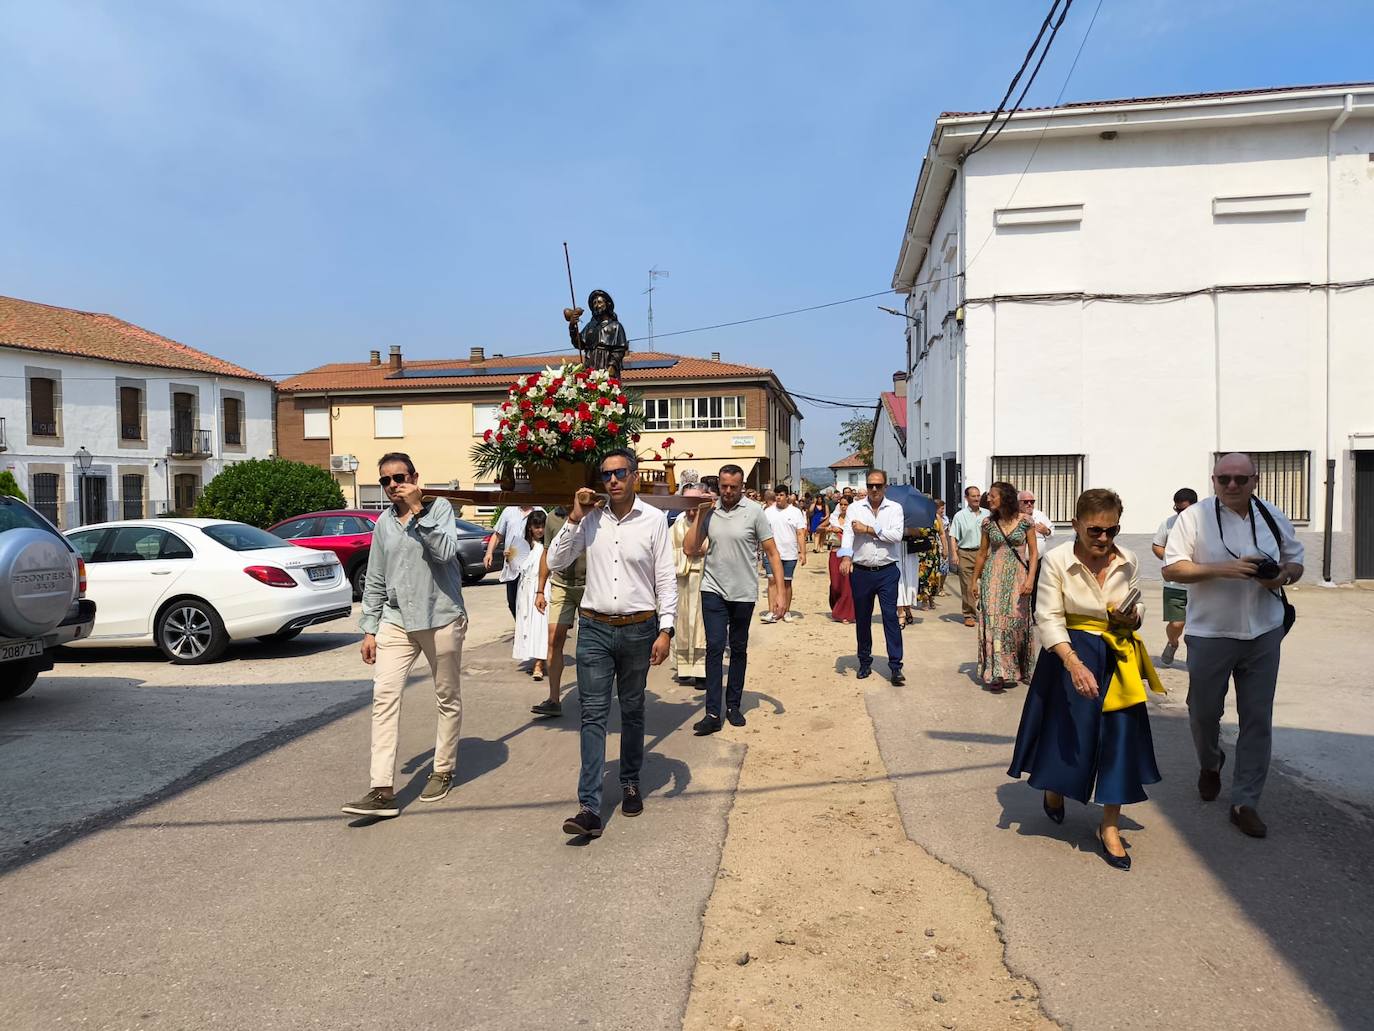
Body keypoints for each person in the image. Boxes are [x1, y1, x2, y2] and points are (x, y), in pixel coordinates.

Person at [1008, 488, 1165, 871]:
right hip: (1069, 651)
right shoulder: (1057, 560)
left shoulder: (1128, 559)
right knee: (1068, 733)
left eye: (1111, 530)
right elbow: (1047, 615)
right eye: (1095, 530)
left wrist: (1134, 616)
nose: (1103, 539)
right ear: (1076, 525)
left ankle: (1109, 826)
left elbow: (1136, 602)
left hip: (1117, 654)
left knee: (1119, 739)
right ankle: (1056, 786)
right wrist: (1073, 663)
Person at [1162, 453, 1304, 839]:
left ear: (1255, 481)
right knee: (1203, 713)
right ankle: (1210, 764)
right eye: (1225, 479)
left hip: (1264, 632)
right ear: (1213, 480)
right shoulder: (1195, 518)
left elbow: (1296, 562)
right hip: (1210, 633)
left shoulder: (1272, 516)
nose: (1233, 486)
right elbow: (1172, 567)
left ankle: (1245, 802)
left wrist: (1283, 578)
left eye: (1241, 479)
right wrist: (1222, 569)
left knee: (1257, 719)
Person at [546, 449, 677, 839]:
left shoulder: (654, 521)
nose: (613, 480)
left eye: (620, 472)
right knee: (593, 715)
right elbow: (555, 562)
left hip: (639, 628)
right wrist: (573, 516)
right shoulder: (589, 521)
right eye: (606, 475)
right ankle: (588, 805)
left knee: (633, 710)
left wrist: (666, 629)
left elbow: (665, 578)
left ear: (634, 475)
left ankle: (631, 781)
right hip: (595, 629)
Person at [342, 453, 467, 818]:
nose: (393, 485)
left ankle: (443, 768)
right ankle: (382, 790)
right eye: (386, 480)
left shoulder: (439, 508)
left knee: (446, 697)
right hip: (396, 621)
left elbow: (444, 552)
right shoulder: (383, 523)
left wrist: (417, 512)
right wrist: (369, 629)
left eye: (400, 477)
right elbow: (377, 578)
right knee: (383, 697)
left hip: (441, 616)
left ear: (415, 477)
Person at [684, 464, 786, 735]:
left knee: (738, 649)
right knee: (715, 648)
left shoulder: (754, 512)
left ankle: (733, 705)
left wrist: (781, 593)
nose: (727, 492)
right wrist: (699, 516)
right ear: (718, 484)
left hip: (743, 592)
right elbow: (690, 548)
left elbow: (772, 553)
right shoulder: (710, 509)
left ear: (742, 486)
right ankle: (712, 712)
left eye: (733, 487)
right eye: (723, 486)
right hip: (712, 589)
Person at [838, 470, 906, 685]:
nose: (874, 489)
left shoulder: (895, 508)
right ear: (866, 486)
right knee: (863, 619)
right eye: (870, 485)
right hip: (861, 571)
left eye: (878, 485)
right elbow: (848, 534)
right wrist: (845, 557)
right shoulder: (855, 508)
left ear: (885, 486)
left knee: (890, 618)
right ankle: (864, 662)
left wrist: (868, 529)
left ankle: (895, 666)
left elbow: (896, 536)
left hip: (887, 570)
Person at [972, 482, 1038, 692]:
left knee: (1015, 624)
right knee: (994, 624)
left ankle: (1019, 668)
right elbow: (982, 553)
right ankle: (997, 673)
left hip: (1018, 578)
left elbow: (1034, 554)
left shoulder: (1026, 522)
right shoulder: (987, 523)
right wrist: (975, 581)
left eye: (992, 496)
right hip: (992, 578)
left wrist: (1030, 580)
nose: (988, 499)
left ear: (1005, 497)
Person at [531, 508, 586, 717]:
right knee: (554, 639)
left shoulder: (593, 514)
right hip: (561, 584)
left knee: (589, 643)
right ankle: (554, 699)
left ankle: (590, 694)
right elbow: (546, 553)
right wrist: (539, 590)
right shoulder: (553, 517)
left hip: (589, 585)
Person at [1152, 487, 1198, 666]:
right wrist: (1172, 560)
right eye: (1176, 509)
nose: (1179, 513)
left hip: (1199, 586)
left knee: (1197, 628)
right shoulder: (1168, 524)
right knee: (1177, 624)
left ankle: (1195, 660)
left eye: (1183, 509)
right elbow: (1157, 545)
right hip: (1174, 585)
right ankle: (1172, 642)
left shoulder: (1206, 524)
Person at [670, 485, 711, 685]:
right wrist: (690, 551)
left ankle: (702, 671)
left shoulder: (709, 521)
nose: (691, 511)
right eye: (688, 506)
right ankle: (684, 667)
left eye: (695, 506)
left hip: (704, 578)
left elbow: (708, 547)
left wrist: (696, 549)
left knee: (702, 625)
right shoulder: (677, 524)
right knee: (683, 623)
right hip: (683, 579)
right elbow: (672, 549)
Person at [511, 510, 549, 681]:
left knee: (540, 625)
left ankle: (540, 663)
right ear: (530, 528)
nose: (540, 530)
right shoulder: (525, 546)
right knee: (527, 624)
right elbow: (515, 569)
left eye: (542, 527)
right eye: (536, 527)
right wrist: (509, 559)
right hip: (525, 588)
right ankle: (533, 656)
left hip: (541, 587)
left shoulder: (547, 547)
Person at [564, 289, 629, 379]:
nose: (596, 305)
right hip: (590, 365)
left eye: (599, 302)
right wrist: (572, 326)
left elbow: (619, 349)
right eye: (594, 303)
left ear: (607, 304)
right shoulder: (590, 326)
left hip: (606, 364)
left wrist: (612, 366)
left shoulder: (616, 326)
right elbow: (578, 344)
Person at [763, 490, 807, 623]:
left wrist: (803, 552)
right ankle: (771, 611)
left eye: (781, 495)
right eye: (777, 495)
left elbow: (800, 533)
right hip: (771, 552)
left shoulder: (795, 512)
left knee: (787, 582)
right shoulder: (768, 512)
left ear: (787, 497)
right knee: (772, 581)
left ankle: (786, 610)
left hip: (789, 553)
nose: (778, 497)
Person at [949, 486, 990, 627]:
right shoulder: (960, 516)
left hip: (984, 553)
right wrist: (954, 554)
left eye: (978, 495)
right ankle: (969, 614)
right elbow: (953, 536)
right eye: (973, 496)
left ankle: (984, 610)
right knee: (967, 585)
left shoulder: (988, 514)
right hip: (965, 553)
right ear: (966, 498)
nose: (977, 498)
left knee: (987, 583)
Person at [485, 503, 533, 621]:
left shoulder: (539, 510)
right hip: (512, 566)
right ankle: (520, 627)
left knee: (529, 602)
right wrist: (489, 552)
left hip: (531, 566)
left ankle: (528, 631)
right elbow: (497, 535)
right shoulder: (509, 511)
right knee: (512, 602)